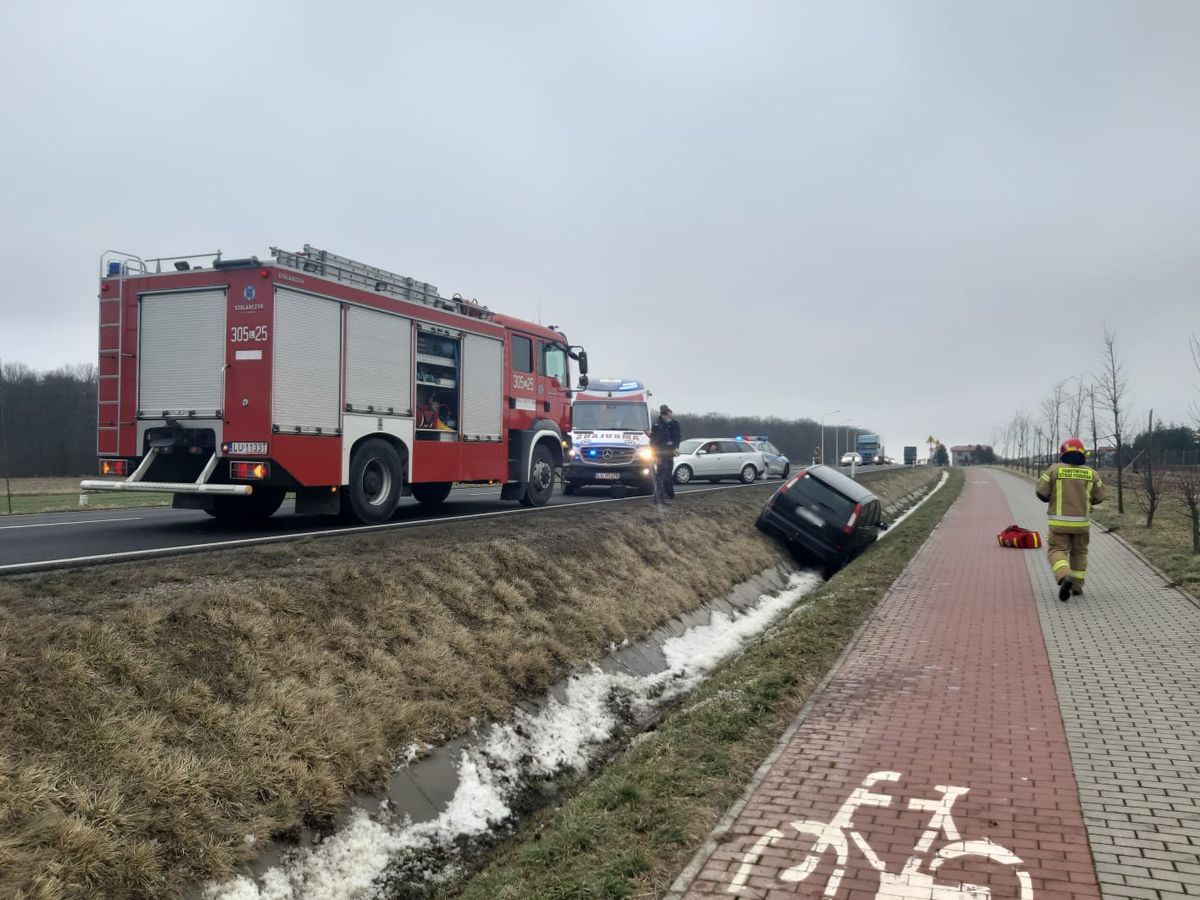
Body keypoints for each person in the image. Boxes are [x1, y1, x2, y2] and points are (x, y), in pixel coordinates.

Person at [1036, 437, 1106, 601]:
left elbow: (1041, 492)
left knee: (1056, 550)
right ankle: (1076, 587)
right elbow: (1100, 496)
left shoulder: (1053, 470)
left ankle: (1064, 575)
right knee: (1079, 553)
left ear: (1063, 453)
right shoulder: (1092, 473)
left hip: (1058, 524)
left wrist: (1051, 498)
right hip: (1082, 525)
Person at [650, 404, 681, 503]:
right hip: (660, 453)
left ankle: (667, 494)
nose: (668, 416)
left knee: (667, 473)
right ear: (663, 414)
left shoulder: (674, 424)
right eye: (666, 414)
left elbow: (677, 437)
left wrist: (675, 446)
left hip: (669, 452)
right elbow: (654, 441)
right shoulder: (657, 425)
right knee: (661, 474)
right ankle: (659, 496)